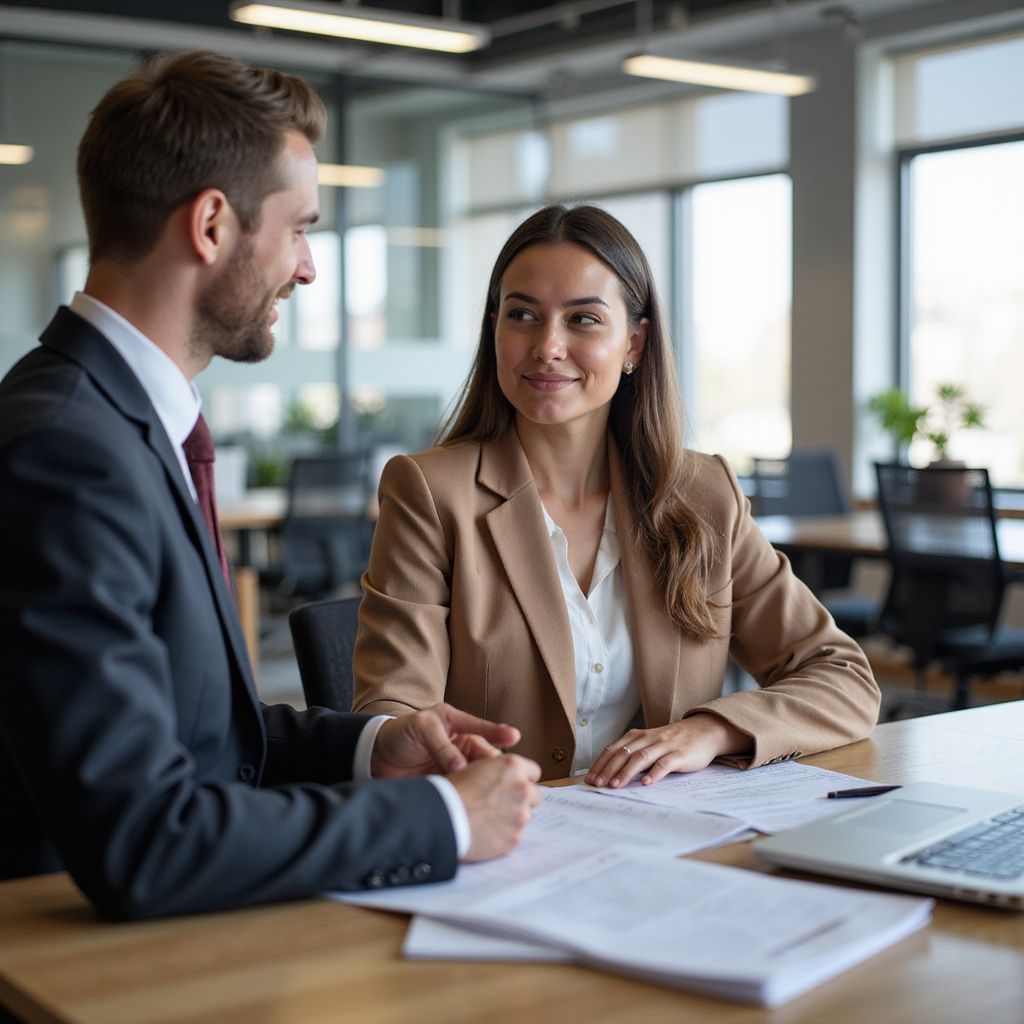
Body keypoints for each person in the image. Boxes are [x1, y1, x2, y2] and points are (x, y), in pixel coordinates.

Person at [0, 50, 541, 922]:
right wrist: (439, 816)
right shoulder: (67, 449)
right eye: (300, 230)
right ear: (212, 225)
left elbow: (198, 738)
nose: (308, 268)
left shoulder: (119, 423)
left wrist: (375, 746)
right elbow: (143, 833)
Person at [353, 204, 881, 784]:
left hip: (665, 841)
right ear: (495, 329)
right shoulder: (430, 493)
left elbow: (844, 678)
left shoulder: (704, 496)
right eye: (522, 314)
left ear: (634, 342)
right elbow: (394, 711)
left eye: (582, 320)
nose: (547, 345)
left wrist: (709, 729)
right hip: (501, 838)